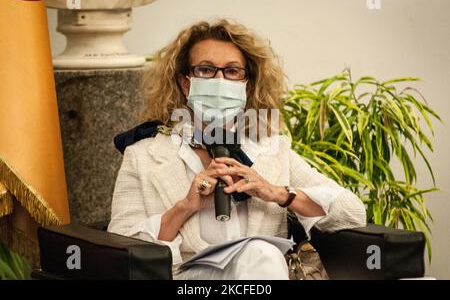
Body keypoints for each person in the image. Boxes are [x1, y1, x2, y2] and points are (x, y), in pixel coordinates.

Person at [107, 19, 366, 280]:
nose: (219, 80)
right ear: (186, 83)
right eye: (206, 70)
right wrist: (184, 207)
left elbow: (352, 214)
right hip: (189, 281)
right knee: (259, 253)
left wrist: (276, 193)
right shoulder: (143, 154)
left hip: (263, 272)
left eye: (232, 71)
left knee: (259, 253)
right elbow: (121, 245)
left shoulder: (271, 149)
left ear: (247, 84)